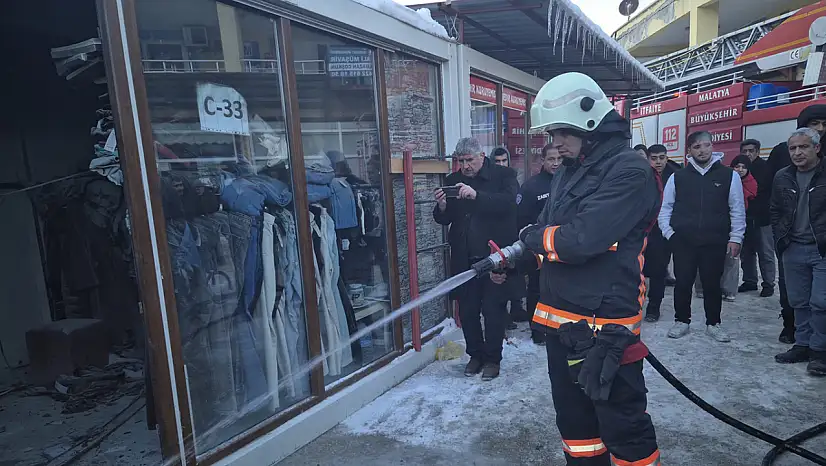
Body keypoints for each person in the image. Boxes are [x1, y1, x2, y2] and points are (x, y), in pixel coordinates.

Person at [519, 72, 660, 465]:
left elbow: (579, 240)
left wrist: (532, 239)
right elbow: (550, 234)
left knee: (625, 431)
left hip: (607, 330)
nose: (555, 143)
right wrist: (514, 259)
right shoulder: (568, 170)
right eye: (551, 133)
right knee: (578, 431)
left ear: (591, 122)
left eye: (562, 131)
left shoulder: (630, 170)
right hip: (562, 325)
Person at [434, 138, 518, 381]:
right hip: (463, 257)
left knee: (493, 312)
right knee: (468, 312)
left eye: (469, 160)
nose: (465, 166)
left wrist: (476, 195)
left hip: (494, 257)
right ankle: (476, 355)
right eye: (460, 161)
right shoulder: (452, 180)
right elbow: (444, 219)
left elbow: (508, 204)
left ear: (482, 156)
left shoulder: (504, 175)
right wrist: (441, 206)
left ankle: (493, 359)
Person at [659, 131, 746, 342]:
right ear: (689, 150)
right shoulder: (677, 177)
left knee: (712, 284)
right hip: (683, 242)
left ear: (712, 147)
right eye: (697, 146)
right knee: (683, 283)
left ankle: (713, 323)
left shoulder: (729, 176)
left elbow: (737, 209)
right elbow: (665, 209)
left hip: (714, 242)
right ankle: (682, 321)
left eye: (706, 145)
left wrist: (736, 237)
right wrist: (670, 234)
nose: (702, 150)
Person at [769, 105, 826, 343]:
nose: (798, 152)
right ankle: (801, 343)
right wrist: (781, 237)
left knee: (821, 303)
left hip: (821, 249)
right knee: (798, 300)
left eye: (804, 147)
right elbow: (775, 209)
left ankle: (819, 350)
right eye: (793, 148)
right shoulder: (783, 175)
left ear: (817, 148)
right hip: (792, 247)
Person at [695, 155, 758, 302]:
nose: (740, 170)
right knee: (703, 258)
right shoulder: (720, 179)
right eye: (737, 166)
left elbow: (739, 207)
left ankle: (729, 290)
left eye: (743, 167)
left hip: (735, 225)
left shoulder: (749, 182)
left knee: (731, 259)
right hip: (713, 225)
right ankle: (701, 288)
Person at [517, 144, 562, 344]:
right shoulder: (531, 187)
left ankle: (560, 327)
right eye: (551, 159)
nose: (556, 163)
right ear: (542, 161)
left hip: (563, 246)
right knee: (537, 288)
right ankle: (537, 330)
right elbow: (521, 220)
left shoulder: (571, 182)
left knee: (560, 288)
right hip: (538, 248)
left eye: (559, 159)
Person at [491, 146, 528, 327]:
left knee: (515, 271)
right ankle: (503, 312)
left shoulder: (513, 181)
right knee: (499, 272)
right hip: (495, 234)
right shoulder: (491, 182)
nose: (501, 165)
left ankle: (517, 306)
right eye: (497, 161)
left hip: (513, 231)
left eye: (504, 161)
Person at [643, 144, 678, 322]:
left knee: (659, 272)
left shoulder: (676, 175)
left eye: (662, 158)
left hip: (663, 231)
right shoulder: (640, 175)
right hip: (642, 231)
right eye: (654, 158)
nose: (658, 162)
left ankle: (653, 307)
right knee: (636, 270)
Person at [738, 139, 776, 297]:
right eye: (745, 151)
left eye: (751, 151)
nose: (748, 154)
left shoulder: (766, 169)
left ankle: (768, 284)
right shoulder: (739, 168)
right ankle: (750, 281)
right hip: (745, 218)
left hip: (763, 218)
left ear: (758, 152)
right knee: (746, 252)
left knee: (765, 252)